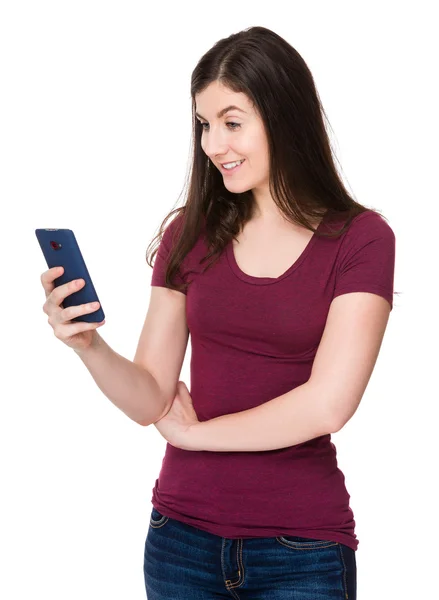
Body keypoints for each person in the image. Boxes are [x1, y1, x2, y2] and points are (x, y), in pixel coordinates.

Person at [40, 26, 395, 600]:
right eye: (205, 125)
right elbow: (151, 396)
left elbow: (328, 404)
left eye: (233, 122)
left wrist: (197, 437)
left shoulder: (361, 240)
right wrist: (88, 346)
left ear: (285, 118)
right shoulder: (191, 233)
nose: (213, 144)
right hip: (180, 541)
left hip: (301, 548)